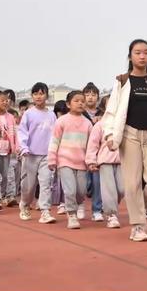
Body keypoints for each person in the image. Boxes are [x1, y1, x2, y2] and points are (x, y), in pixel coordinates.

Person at [103, 39, 147, 242]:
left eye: (146, 52)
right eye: (138, 52)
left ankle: (144, 209)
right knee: (132, 184)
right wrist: (109, 134)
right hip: (129, 135)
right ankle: (138, 226)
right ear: (130, 56)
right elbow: (112, 110)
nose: (142, 56)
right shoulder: (122, 81)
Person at [48, 91, 92, 229]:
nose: (80, 103)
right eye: (76, 100)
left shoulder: (88, 124)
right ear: (68, 104)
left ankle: (79, 203)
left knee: (81, 191)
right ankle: (71, 215)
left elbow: (91, 145)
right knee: (70, 190)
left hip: (82, 163)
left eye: (82, 101)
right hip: (64, 161)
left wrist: (91, 160)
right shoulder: (61, 121)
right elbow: (54, 141)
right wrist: (52, 159)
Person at [18, 82, 57, 224]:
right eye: (35, 94)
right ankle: (25, 204)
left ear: (46, 95)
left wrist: (54, 152)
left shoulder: (52, 115)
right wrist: (24, 148)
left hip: (46, 155)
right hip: (30, 155)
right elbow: (22, 132)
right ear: (32, 96)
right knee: (29, 185)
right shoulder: (28, 114)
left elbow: (55, 135)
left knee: (46, 183)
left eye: (41, 93)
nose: (38, 96)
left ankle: (45, 211)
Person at [86, 98, 124, 229]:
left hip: (122, 162)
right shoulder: (100, 125)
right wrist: (91, 160)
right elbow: (92, 145)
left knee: (122, 189)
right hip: (105, 161)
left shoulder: (125, 125)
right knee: (109, 190)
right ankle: (111, 215)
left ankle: (110, 206)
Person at [82, 82, 103, 222]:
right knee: (85, 183)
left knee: (97, 182)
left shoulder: (103, 113)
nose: (90, 97)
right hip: (81, 152)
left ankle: (97, 209)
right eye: (88, 94)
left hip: (98, 153)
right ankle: (82, 200)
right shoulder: (79, 112)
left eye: (93, 95)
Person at [51, 100, 68, 215]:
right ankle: (61, 202)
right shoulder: (54, 123)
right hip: (56, 154)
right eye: (58, 113)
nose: (60, 115)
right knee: (58, 180)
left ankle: (66, 202)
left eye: (63, 112)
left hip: (68, 154)